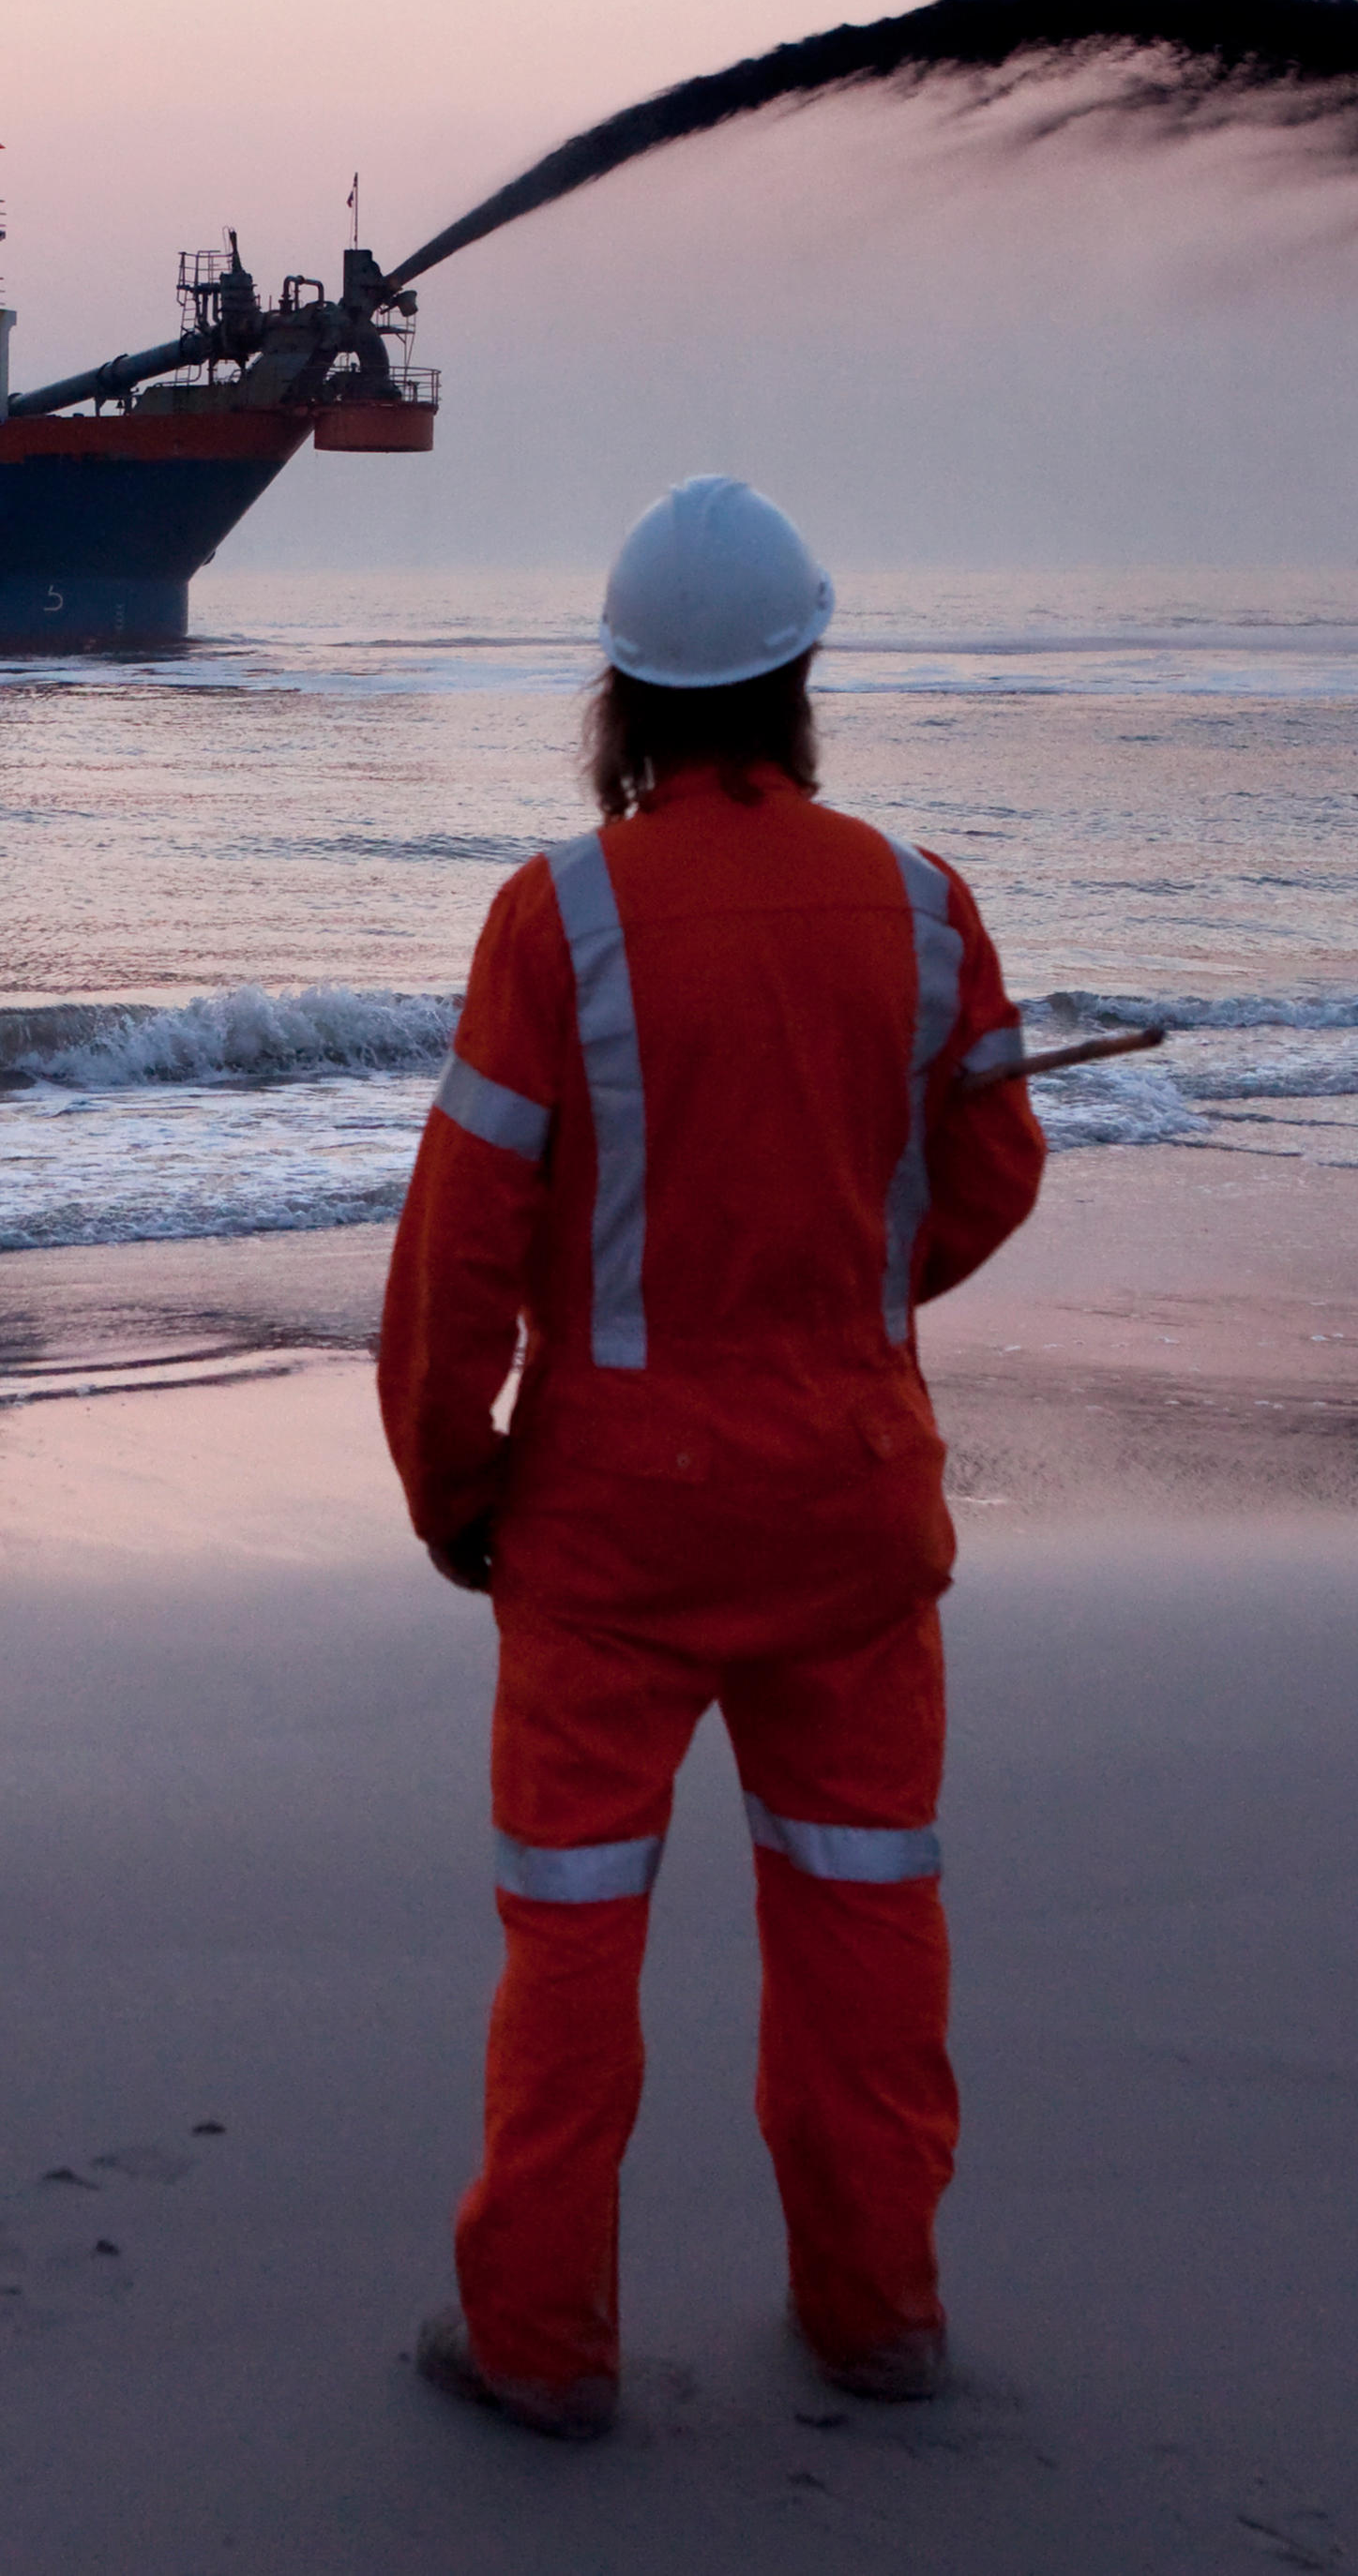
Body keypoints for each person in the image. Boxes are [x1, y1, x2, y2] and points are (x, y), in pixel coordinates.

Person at [380, 475, 1045, 2442]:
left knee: (572, 1935)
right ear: (800, 678)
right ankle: (876, 2311)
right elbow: (990, 1171)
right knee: (862, 1915)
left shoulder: (556, 915)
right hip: (847, 1495)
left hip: (612, 1527)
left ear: (623, 697)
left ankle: (538, 2341)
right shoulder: (921, 902)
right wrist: (847, 1292)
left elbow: (461, 1244)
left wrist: (453, 1477)